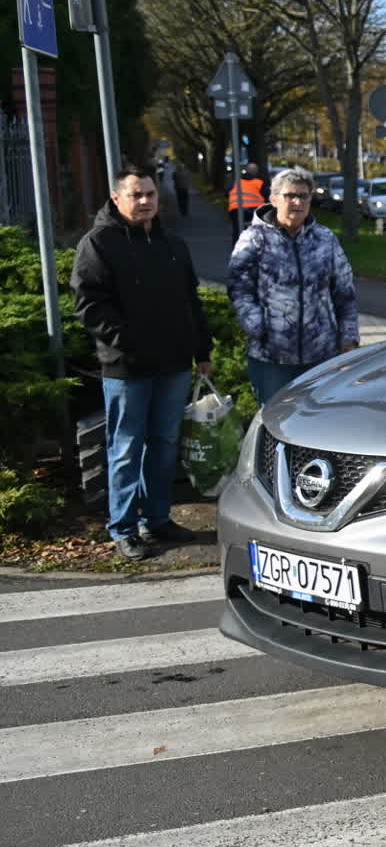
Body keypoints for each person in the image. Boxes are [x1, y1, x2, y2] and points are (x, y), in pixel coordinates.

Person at [71, 165, 213, 561]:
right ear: (117, 199)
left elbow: (191, 301)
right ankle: (123, 527)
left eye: (151, 194)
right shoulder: (98, 243)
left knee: (165, 445)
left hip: (174, 364)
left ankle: (158, 517)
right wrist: (128, 343)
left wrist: (202, 350)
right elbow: (89, 306)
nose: (146, 201)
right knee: (126, 448)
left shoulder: (171, 242)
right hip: (127, 368)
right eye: (137, 195)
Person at [227, 167, 359, 405]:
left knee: (317, 418)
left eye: (304, 196)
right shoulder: (254, 238)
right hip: (271, 358)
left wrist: (348, 338)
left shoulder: (325, 239)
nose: (297, 202)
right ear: (274, 198)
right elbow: (239, 288)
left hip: (321, 354)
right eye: (290, 196)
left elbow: (345, 292)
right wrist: (258, 327)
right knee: (275, 423)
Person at [227, 161, 268, 243]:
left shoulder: (236, 182)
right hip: (254, 210)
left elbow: (227, 192)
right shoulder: (259, 183)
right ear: (256, 172)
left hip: (236, 209)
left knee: (237, 230)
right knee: (259, 229)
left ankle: (237, 247)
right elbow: (268, 195)